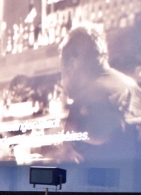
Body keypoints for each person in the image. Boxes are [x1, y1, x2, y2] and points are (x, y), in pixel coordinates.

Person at [60, 24, 141, 165]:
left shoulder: (84, 102)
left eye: (63, 69)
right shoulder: (131, 86)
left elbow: (71, 167)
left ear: (72, 63)